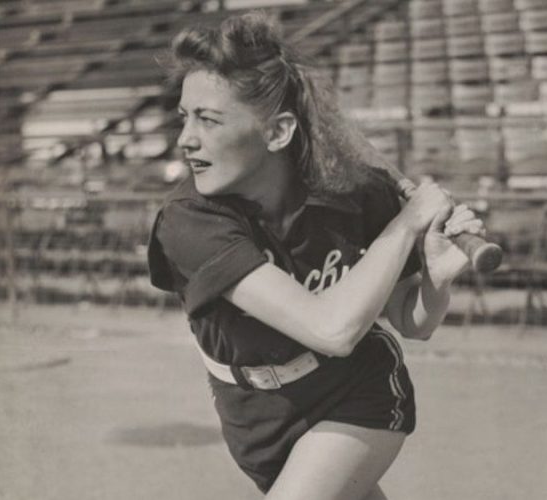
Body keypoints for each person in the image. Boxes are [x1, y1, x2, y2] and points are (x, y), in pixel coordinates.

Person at [146, 11, 484, 500]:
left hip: (355, 394)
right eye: (185, 117)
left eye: (209, 120)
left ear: (279, 132)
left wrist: (437, 277)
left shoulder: (354, 192)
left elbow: (410, 323)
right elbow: (326, 323)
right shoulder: (191, 221)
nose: (186, 139)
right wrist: (407, 223)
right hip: (252, 417)